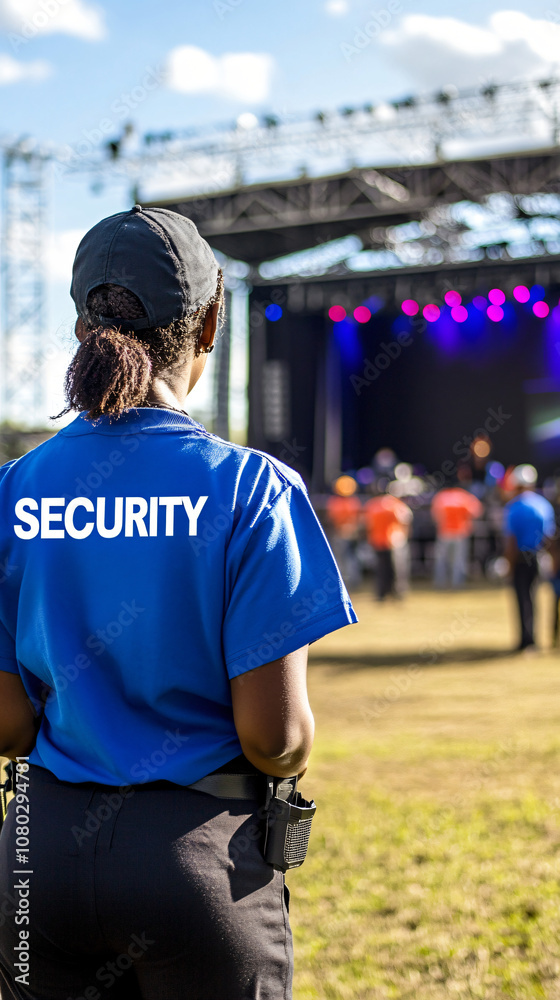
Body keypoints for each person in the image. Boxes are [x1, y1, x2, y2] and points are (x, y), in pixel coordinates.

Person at [0, 206, 358, 1000]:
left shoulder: (14, 490)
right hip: (199, 865)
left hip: (34, 863)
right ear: (208, 324)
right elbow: (273, 739)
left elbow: (7, 724)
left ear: (82, 324)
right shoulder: (249, 489)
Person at [504, 464, 555, 652]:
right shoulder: (543, 505)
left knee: (522, 598)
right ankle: (534, 639)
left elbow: (511, 541)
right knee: (534, 598)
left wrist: (508, 565)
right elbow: (549, 537)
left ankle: (525, 640)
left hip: (520, 559)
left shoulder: (514, 507)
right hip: (538, 556)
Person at [431, 484, 483, 588]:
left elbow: (435, 515)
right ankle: (457, 583)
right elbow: (476, 512)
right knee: (458, 560)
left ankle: (440, 583)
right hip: (460, 532)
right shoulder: (464, 496)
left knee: (442, 560)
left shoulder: (441, 496)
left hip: (444, 532)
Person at [363, 490, 412, 600]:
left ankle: (381, 593)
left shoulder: (371, 505)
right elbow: (403, 520)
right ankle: (397, 593)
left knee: (381, 569)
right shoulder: (393, 504)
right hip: (393, 541)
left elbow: (367, 524)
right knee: (396, 569)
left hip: (377, 541)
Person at [325, 475, 362, 589]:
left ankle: (344, 583)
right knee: (352, 559)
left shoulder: (334, 502)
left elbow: (331, 519)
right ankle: (353, 582)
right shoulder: (354, 502)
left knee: (342, 560)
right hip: (351, 534)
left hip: (340, 534)